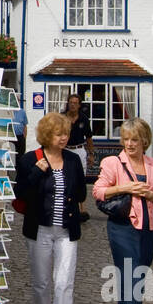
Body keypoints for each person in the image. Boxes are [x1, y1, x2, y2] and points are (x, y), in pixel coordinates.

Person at [93, 118, 153, 304]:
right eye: (125, 139)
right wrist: (124, 187)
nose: (129, 144)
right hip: (123, 227)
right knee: (132, 276)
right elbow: (99, 191)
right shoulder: (112, 162)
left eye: (134, 139)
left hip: (148, 228)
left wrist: (150, 195)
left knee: (136, 278)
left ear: (144, 140)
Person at [16, 111, 86, 304]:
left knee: (64, 283)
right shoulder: (29, 160)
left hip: (67, 231)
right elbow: (20, 192)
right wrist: (37, 171)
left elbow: (80, 194)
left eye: (66, 133)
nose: (64, 138)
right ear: (47, 135)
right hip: (39, 230)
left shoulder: (73, 160)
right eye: (59, 134)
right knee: (41, 281)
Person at [64, 93, 94, 221]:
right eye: (71, 102)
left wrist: (91, 154)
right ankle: (65, 205)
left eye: (75, 103)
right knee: (64, 176)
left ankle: (82, 207)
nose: (73, 105)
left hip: (79, 149)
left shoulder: (84, 119)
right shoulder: (62, 118)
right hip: (65, 149)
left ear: (79, 105)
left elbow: (89, 138)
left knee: (80, 178)